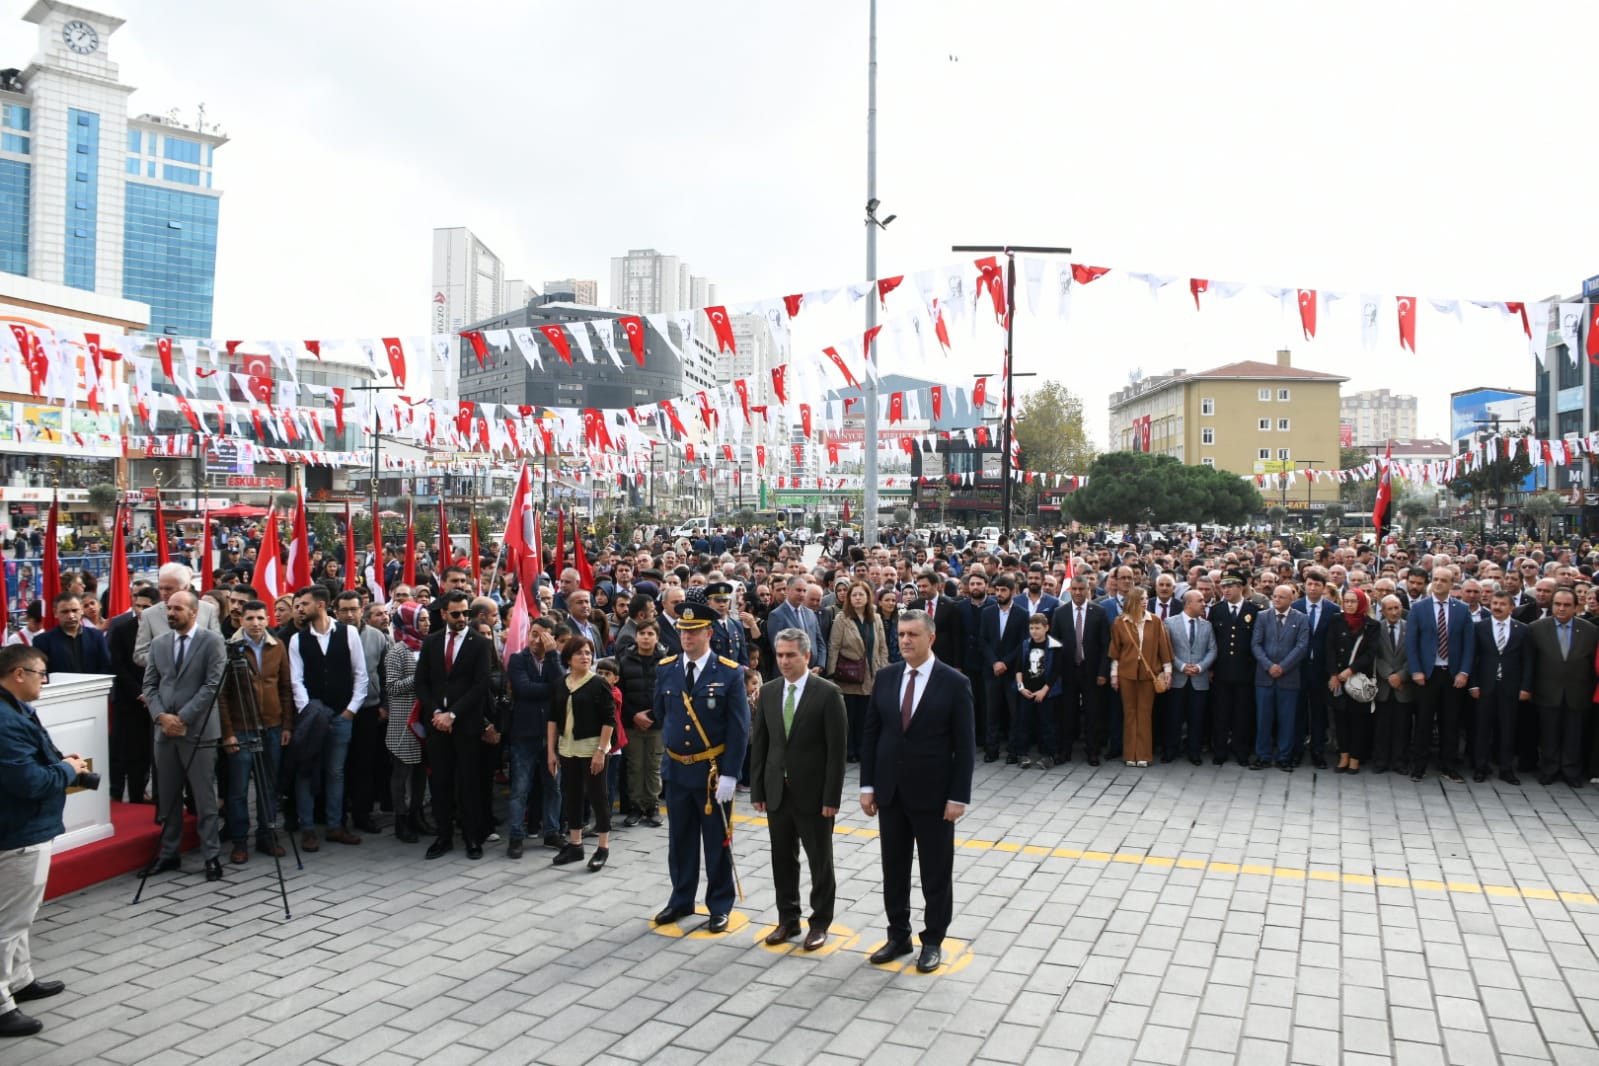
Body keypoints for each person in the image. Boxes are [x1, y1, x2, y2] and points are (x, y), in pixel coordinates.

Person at [860, 608, 974, 974]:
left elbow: (965, 745)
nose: (905, 640)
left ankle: (934, 940)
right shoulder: (887, 676)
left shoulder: (954, 683)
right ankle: (898, 935)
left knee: (935, 872)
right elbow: (872, 734)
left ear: (931, 638)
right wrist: (867, 786)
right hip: (890, 793)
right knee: (894, 869)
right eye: (902, 634)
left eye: (913, 634)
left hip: (934, 796)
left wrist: (958, 796)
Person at [0, 643, 84, 1037]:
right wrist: (68, 770)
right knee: (8, 920)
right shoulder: (5, 719)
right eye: (39, 674)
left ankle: (19, 980)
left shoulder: (15, 710)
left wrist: (62, 766)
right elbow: (30, 782)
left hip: (27, 827)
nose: (44, 682)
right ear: (19, 674)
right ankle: (1, 1004)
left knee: (20, 916)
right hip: (18, 831)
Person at [651, 602, 750, 934]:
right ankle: (681, 899)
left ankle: (720, 904)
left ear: (709, 632)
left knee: (717, 841)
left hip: (712, 773)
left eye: (693, 631)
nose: (686, 636)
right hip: (678, 770)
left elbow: (739, 728)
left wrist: (731, 774)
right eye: (682, 630)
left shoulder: (729, 672)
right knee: (680, 841)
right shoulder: (666, 668)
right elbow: (663, 715)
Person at [752, 629, 847, 951]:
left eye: (790, 655)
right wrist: (758, 791)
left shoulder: (827, 693)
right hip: (778, 790)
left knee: (820, 861)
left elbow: (837, 751)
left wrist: (831, 797)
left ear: (806, 656)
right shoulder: (768, 692)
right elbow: (761, 745)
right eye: (779, 655)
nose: (784, 661)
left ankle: (820, 922)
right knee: (782, 858)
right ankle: (787, 919)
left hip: (814, 794)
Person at [141, 591, 227, 881]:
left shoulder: (212, 641)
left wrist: (183, 718)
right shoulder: (159, 643)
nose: (171, 613)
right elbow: (150, 685)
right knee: (167, 798)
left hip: (199, 731)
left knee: (204, 799)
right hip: (165, 732)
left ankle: (211, 856)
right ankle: (168, 855)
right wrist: (161, 716)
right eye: (169, 608)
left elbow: (213, 684)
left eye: (178, 608)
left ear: (193, 612)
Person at [414, 589, 496, 859]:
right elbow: (422, 683)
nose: (462, 618)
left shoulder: (479, 643)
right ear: (444, 614)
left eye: (466, 613)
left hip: (466, 724)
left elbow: (481, 684)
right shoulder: (432, 642)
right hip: (437, 724)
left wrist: (453, 714)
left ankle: (472, 837)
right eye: (457, 613)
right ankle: (443, 835)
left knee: (468, 782)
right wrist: (438, 712)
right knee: (440, 782)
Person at [287, 585, 369, 850]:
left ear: (320, 605)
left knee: (336, 771)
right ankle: (308, 828)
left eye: (304, 604)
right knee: (307, 770)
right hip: (312, 718)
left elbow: (360, 673)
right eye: (298, 605)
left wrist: (350, 710)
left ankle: (335, 825)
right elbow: (296, 680)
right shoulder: (297, 639)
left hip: (341, 715)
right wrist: (307, 710)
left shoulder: (349, 633)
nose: (299, 609)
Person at [219, 600, 293, 864]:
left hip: (272, 726)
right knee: (238, 789)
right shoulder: (230, 649)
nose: (255, 623)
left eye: (260, 618)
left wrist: (286, 725)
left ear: (267, 619)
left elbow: (285, 687)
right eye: (250, 618)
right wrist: (227, 733)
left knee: (269, 786)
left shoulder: (277, 646)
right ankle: (239, 840)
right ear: (242, 620)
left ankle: (267, 834)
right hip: (241, 728)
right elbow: (223, 696)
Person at [1404, 568, 1476, 784]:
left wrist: (1464, 671)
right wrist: (1416, 670)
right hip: (1427, 674)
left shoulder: (1462, 610)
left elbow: (1468, 644)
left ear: (1452, 583)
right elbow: (1411, 643)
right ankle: (1419, 766)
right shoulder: (1419, 608)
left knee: (1450, 722)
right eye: (1435, 579)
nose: (1438, 583)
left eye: (1443, 580)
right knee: (1424, 721)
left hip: (1452, 674)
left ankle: (1449, 766)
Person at [547, 636, 613, 871]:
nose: (585, 657)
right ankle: (575, 844)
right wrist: (551, 752)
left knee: (598, 796)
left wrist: (601, 751)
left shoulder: (598, 683)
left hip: (591, 747)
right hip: (567, 748)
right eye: (579, 653)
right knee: (572, 795)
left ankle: (603, 847)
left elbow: (609, 720)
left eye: (588, 653)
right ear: (568, 658)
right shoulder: (560, 684)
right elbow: (553, 719)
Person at [1525, 588, 1597, 787]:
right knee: (1549, 733)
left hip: (1578, 691)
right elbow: (1530, 662)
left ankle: (1571, 770)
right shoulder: (1536, 628)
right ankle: (1549, 769)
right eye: (1557, 604)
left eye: (1567, 605)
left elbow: (1592, 664)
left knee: (1574, 734)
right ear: (1552, 605)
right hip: (1547, 690)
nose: (1562, 608)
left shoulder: (1590, 631)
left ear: (1575, 607)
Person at [505, 618, 563, 856]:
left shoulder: (552, 659)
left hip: (552, 734)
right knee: (520, 787)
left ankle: (552, 832)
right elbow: (524, 689)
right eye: (534, 633)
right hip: (525, 732)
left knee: (553, 786)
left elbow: (562, 685)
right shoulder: (518, 659)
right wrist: (550, 688)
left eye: (543, 635)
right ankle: (516, 836)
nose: (536, 639)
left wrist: (552, 656)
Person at [1467, 591, 1532, 785]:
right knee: (1482, 728)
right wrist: (1474, 684)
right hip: (1485, 685)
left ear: (1511, 607)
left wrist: (1525, 687)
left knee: (1508, 729)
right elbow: (1473, 658)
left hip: (1510, 687)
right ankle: (1480, 767)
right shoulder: (1480, 627)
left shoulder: (1522, 629)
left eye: (1502, 604)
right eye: (1494, 603)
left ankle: (1506, 769)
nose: (1497, 607)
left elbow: (1528, 661)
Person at [1107, 587, 1173, 768]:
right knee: (1129, 713)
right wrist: (1114, 675)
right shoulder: (1120, 622)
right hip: (1126, 673)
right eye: (1142, 599)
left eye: (1146, 598)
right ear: (1133, 600)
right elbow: (1116, 652)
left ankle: (1143, 754)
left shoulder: (1155, 621)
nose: (1145, 601)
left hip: (1148, 674)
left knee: (1144, 713)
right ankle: (1130, 754)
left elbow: (1164, 649)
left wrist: (1167, 672)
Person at [381, 604, 429, 844]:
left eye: (427, 619)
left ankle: (417, 813)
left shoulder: (429, 647)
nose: (426, 624)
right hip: (403, 721)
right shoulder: (397, 652)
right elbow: (391, 687)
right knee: (402, 773)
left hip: (425, 719)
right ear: (408, 622)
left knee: (421, 771)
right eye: (421, 620)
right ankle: (401, 820)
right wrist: (418, 677)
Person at [1050, 575, 1111, 765]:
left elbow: (1105, 645)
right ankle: (1064, 751)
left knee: (1092, 713)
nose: (1077, 593)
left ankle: (1092, 751)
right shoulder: (1060, 612)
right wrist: (1056, 673)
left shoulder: (1099, 613)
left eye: (1081, 589)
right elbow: (1054, 644)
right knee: (1067, 713)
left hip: (1091, 671)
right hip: (1068, 671)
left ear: (1088, 590)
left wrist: (1103, 672)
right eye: (1074, 589)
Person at [825, 580, 887, 764]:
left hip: (871, 674)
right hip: (848, 675)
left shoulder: (875, 618)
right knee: (849, 716)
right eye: (854, 595)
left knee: (866, 716)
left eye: (861, 594)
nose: (858, 598)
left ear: (868, 597)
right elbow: (834, 646)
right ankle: (849, 750)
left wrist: (882, 669)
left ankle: (863, 749)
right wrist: (831, 674)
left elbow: (882, 646)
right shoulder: (842, 619)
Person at [1250, 585, 1309, 771]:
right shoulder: (1262, 616)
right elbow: (1256, 644)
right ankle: (1263, 755)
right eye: (1275, 596)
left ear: (1291, 599)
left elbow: (1301, 646)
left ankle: (1284, 756)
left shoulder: (1301, 619)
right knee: (1263, 718)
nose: (1277, 600)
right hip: (1265, 677)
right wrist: (1269, 666)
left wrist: (1282, 667)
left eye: (1281, 597)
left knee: (1287, 719)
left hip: (1289, 677)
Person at [108, 585, 159, 802]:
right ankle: (123, 795)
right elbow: (117, 665)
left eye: (146, 607)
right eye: (137, 605)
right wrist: (139, 693)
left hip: (157, 701)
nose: (140, 611)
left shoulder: (165, 630)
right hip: (130, 702)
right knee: (128, 752)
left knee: (150, 754)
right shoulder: (121, 629)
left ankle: (145, 795)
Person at [1325, 588, 1379, 774]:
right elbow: (1329, 647)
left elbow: (1371, 653)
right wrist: (1334, 674)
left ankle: (1355, 758)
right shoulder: (1336, 620)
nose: (1349, 604)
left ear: (1362, 603)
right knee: (1340, 719)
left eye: (1353, 601)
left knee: (1358, 721)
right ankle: (1344, 755)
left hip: (1357, 679)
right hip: (1338, 679)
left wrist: (1350, 670)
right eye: (1346, 601)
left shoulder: (1371, 625)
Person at [617, 621, 664, 828]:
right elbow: (620, 694)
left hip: (657, 724)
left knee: (653, 765)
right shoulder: (624, 662)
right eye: (642, 633)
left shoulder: (665, 662)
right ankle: (636, 806)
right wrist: (634, 715)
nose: (646, 637)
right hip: (632, 723)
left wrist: (652, 715)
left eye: (650, 633)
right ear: (636, 637)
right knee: (635, 766)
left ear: (657, 637)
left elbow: (668, 694)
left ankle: (652, 805)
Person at [981, 576, 1032, 764]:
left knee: (1014, 713)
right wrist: (994, 662)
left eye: (1004, 590)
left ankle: (1013, 750)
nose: (999, 594)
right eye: (997, 590)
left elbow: (1022, 643)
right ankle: (991, 749)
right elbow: (983, 640)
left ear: (1013, 591)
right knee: (991, 712)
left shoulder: (1021, 613)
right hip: (991, 670)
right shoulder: (987, 613)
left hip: (1011, 672)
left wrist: (1005, 663)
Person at [132, 563, 223, 667]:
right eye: (160, 588)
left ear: (186, 587)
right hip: (166, 680)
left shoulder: (207, 610)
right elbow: (139, 655)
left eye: (169, 589)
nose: (163, 593)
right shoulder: (149, 614)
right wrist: (168, 661)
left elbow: (219, 647)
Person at [1165, 590, 1216, 766]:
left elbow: (1212, 649)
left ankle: (1194, 752)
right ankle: (1170, 750)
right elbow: (1167, 649)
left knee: (1197, 718)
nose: (1204, 604)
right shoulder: (1170, 623)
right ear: (1188, 604)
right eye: (1200, 601)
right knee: (1174, 717)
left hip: (1199, 680)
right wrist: (1181, 666)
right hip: (1178, 679)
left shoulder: (1207, 625)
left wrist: (1200, 667)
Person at [1008, 613, 1061, 768]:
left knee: (1047, 723)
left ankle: (1048, 754)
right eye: (1031, 628)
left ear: (1046, 628)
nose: (1034, 631)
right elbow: (1018, 668)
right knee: (1023, 723)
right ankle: (1022, 754)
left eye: (1038, 628)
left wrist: (1044, 690)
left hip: (1046, 692)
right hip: (1027, 691)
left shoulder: (1054, 646)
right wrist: (1021, 687)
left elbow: (1056, 672)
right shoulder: (1025, 645)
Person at [1370, 594, 1413, 775]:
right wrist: (1389, 675)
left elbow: (1415, 654)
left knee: (1402, 726)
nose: (1394, 612)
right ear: (1383, 611)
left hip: (1404, 685)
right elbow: (1374, 655)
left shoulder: (1410, 627)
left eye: (1397, 608)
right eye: (1390, 609)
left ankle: (1399, 761)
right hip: (1384, 685)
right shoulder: (1375, 629)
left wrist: (1402, 675)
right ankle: (1380, 760)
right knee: (1382, 725)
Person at [32, 593, 111, 676]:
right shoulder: (42, 641)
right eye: (65, 612)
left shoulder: (96, 636)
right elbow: (41, 673)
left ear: (81, 610)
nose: (71, 616)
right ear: (55, 613)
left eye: (74, 610)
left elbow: (106, 666)